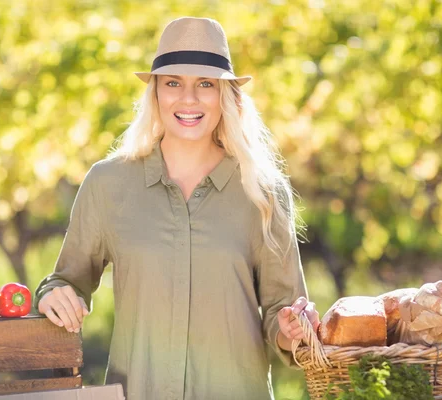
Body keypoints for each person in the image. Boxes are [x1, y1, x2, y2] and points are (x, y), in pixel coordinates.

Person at [34, 16, 320, 400]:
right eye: (173, 83)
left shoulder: (263, 192)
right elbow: (67, 282)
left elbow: (283, 312)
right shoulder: (108, 184)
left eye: (205, 84)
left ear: (226, 95)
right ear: (155, 93)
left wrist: (291, 330)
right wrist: (52, 295)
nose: (188, 99)